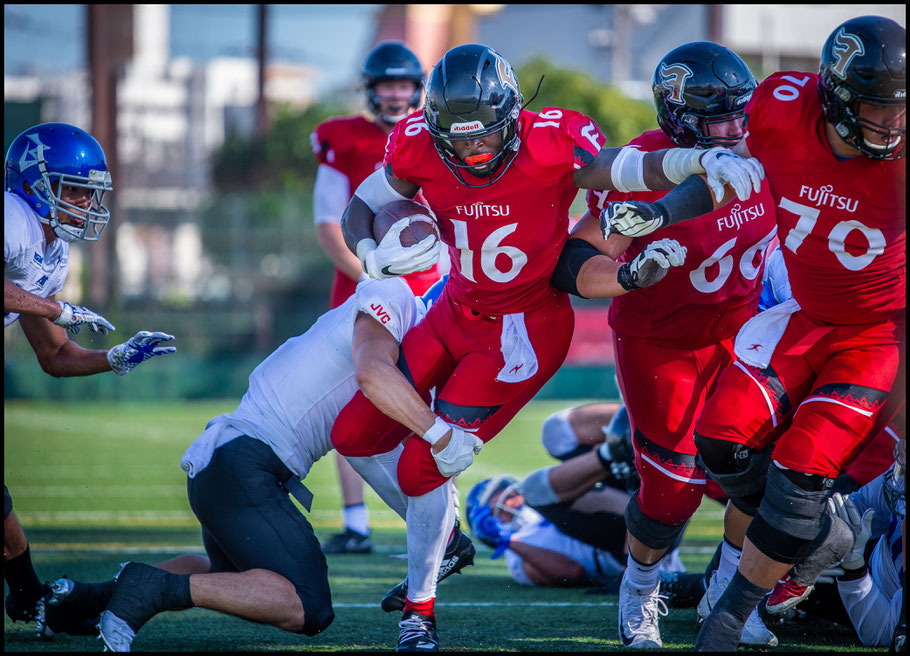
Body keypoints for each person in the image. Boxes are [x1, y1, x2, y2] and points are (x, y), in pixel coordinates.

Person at [329, 42, 764, 651]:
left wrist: (693, 164)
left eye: (486, 136)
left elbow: (621, 168)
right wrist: (369, 251)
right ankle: (447, 535)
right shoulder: (415, 141)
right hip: (455, 308)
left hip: (521, 331)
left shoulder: (551, 138)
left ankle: (419, 610)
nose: (476, 152)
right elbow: (362, 207)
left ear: (512, 113)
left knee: (421, 464)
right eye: (461, 141)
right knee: (351, 435)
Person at [603, 16, 905, 651]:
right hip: (797, 320)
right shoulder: (781, 112)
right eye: (878, 107)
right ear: (838, 100)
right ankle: (817, 538)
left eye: (900, 107)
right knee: (719, 448)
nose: (892, 123)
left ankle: (732, 612)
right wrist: (658, 212)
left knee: (802, 473)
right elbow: (720, 178)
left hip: (877, 333)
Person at [77, 274, 475, 651]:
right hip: (247, 467)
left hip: (226, 466)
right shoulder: (396, 300)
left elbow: (400, 453)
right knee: (306, 605)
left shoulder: (391, 316)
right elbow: (375, 389)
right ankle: (149, 588)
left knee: (233, 581)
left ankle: (82, 602)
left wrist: (441, 535)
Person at [553, 41, 778, 649]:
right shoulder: (648, 165)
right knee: (671, 492)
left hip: (740, 336)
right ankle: (640, 588)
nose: (736, 130)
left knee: (763, 478)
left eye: (742, 114)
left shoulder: (767, 150)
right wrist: (629, 274)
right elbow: (574, 260)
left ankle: (728, 597)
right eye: (721, 119)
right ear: (681, 118)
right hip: (663, 347)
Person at [4, 122, 176, 626]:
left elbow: (54, 357)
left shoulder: (52, 254)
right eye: (75, 188)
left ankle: (28, 596)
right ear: (35, 184)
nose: (86, 201)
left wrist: (113, 358)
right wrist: (58, 309)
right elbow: (46, 313)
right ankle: (29, 595)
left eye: (90, 190)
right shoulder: (12, 217)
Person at [310, 41, 442, 555]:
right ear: (371, 89)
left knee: (429, 399)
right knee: (355, 396)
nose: (395, 94)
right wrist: (372, 272)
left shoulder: (437, 134)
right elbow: (328, 224)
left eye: (403, 84)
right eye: (386, 85)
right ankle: (356, 520)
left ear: (417, 89)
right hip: (363, 284)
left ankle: (435, 516)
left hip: (430, 287)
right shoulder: (342, 138)